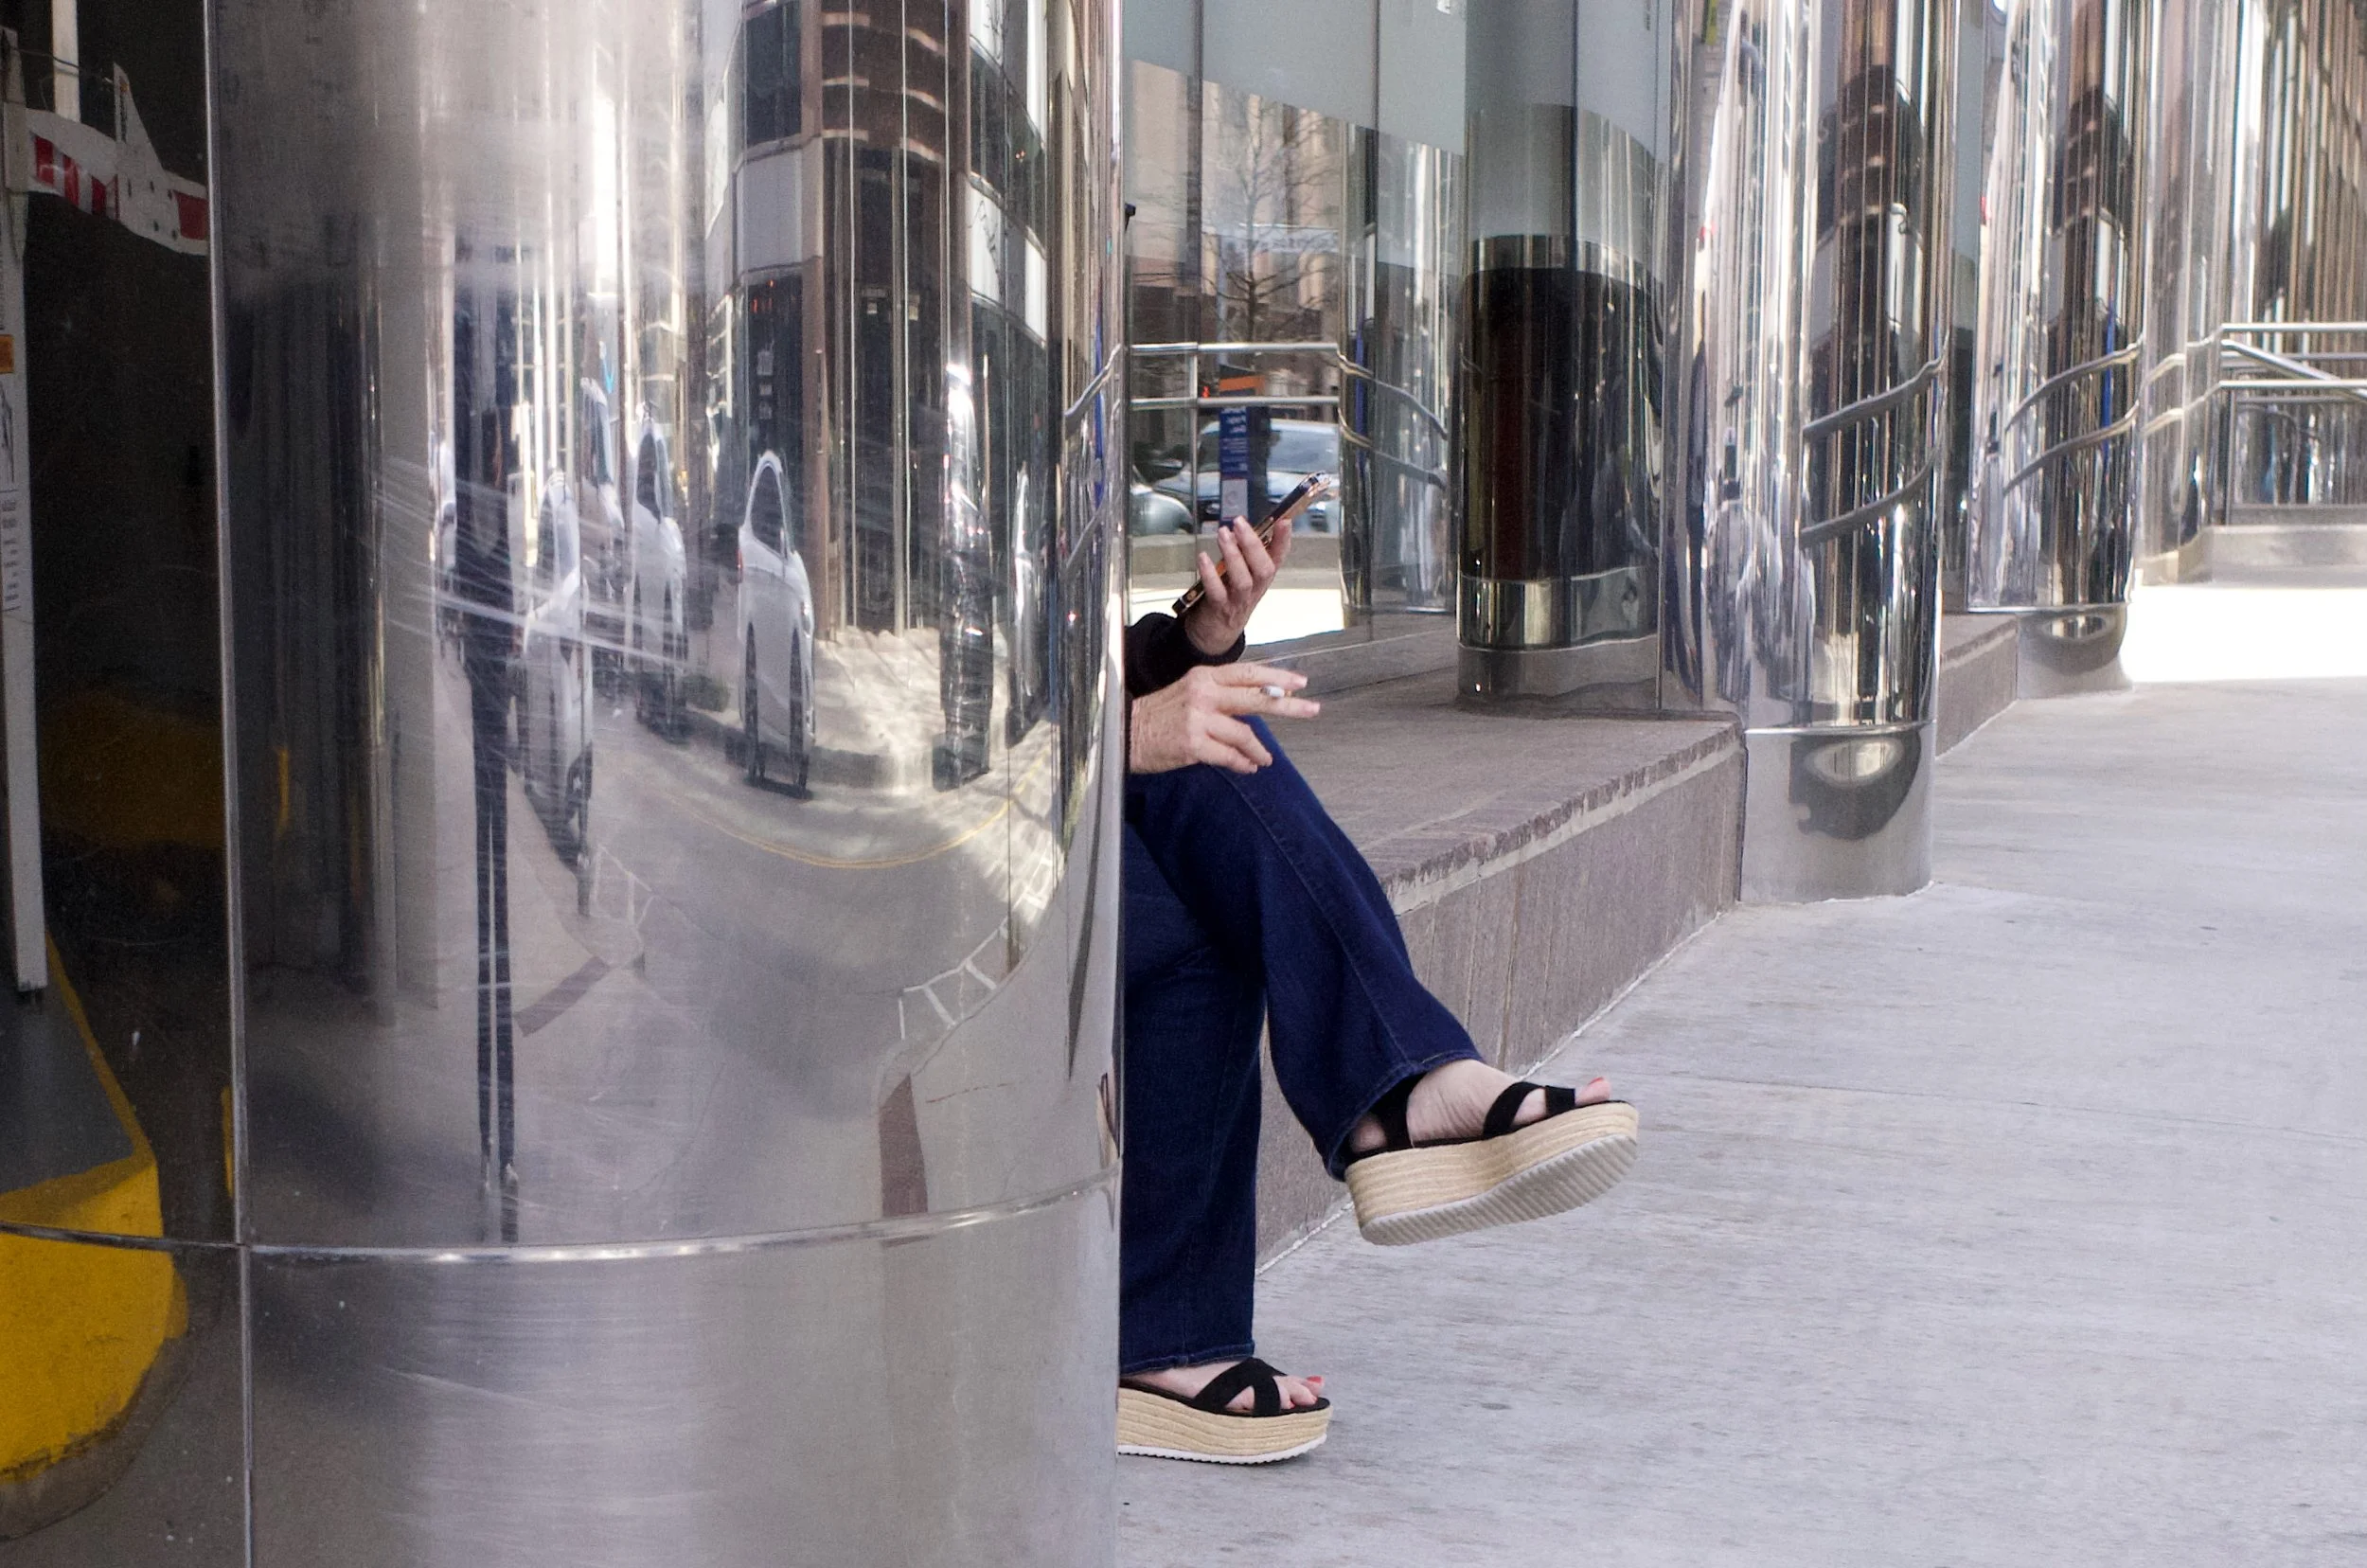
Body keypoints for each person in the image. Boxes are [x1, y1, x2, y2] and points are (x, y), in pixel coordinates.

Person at [1115, 492, 1640, 1465]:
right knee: (1200, 825)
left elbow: (1012, 667)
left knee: (1211, 768)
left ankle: (1167, 1337)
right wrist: (1120, 730)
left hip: (1006, 795)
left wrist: (1195, 641)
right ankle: (1393, 1096)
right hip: (845, 852)